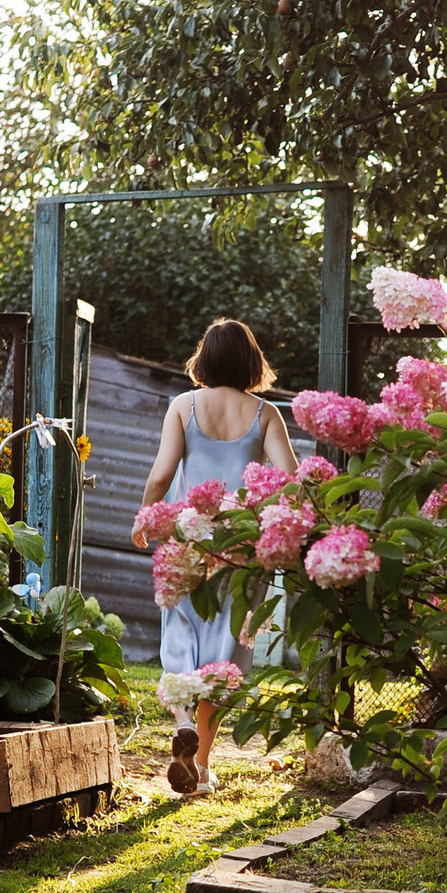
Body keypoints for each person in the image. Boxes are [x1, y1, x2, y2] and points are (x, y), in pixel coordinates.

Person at [141, 319, 299, 795]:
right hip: (241, 551)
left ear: (204, 360)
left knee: (180, 638)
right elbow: (290, 478)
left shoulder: (182, 406)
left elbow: (162, 474)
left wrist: (145, 516)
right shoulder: (266, 413)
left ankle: (182, 722)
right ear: (252, 362)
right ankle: (203, 767)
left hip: (191, 543)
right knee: (223, 657)